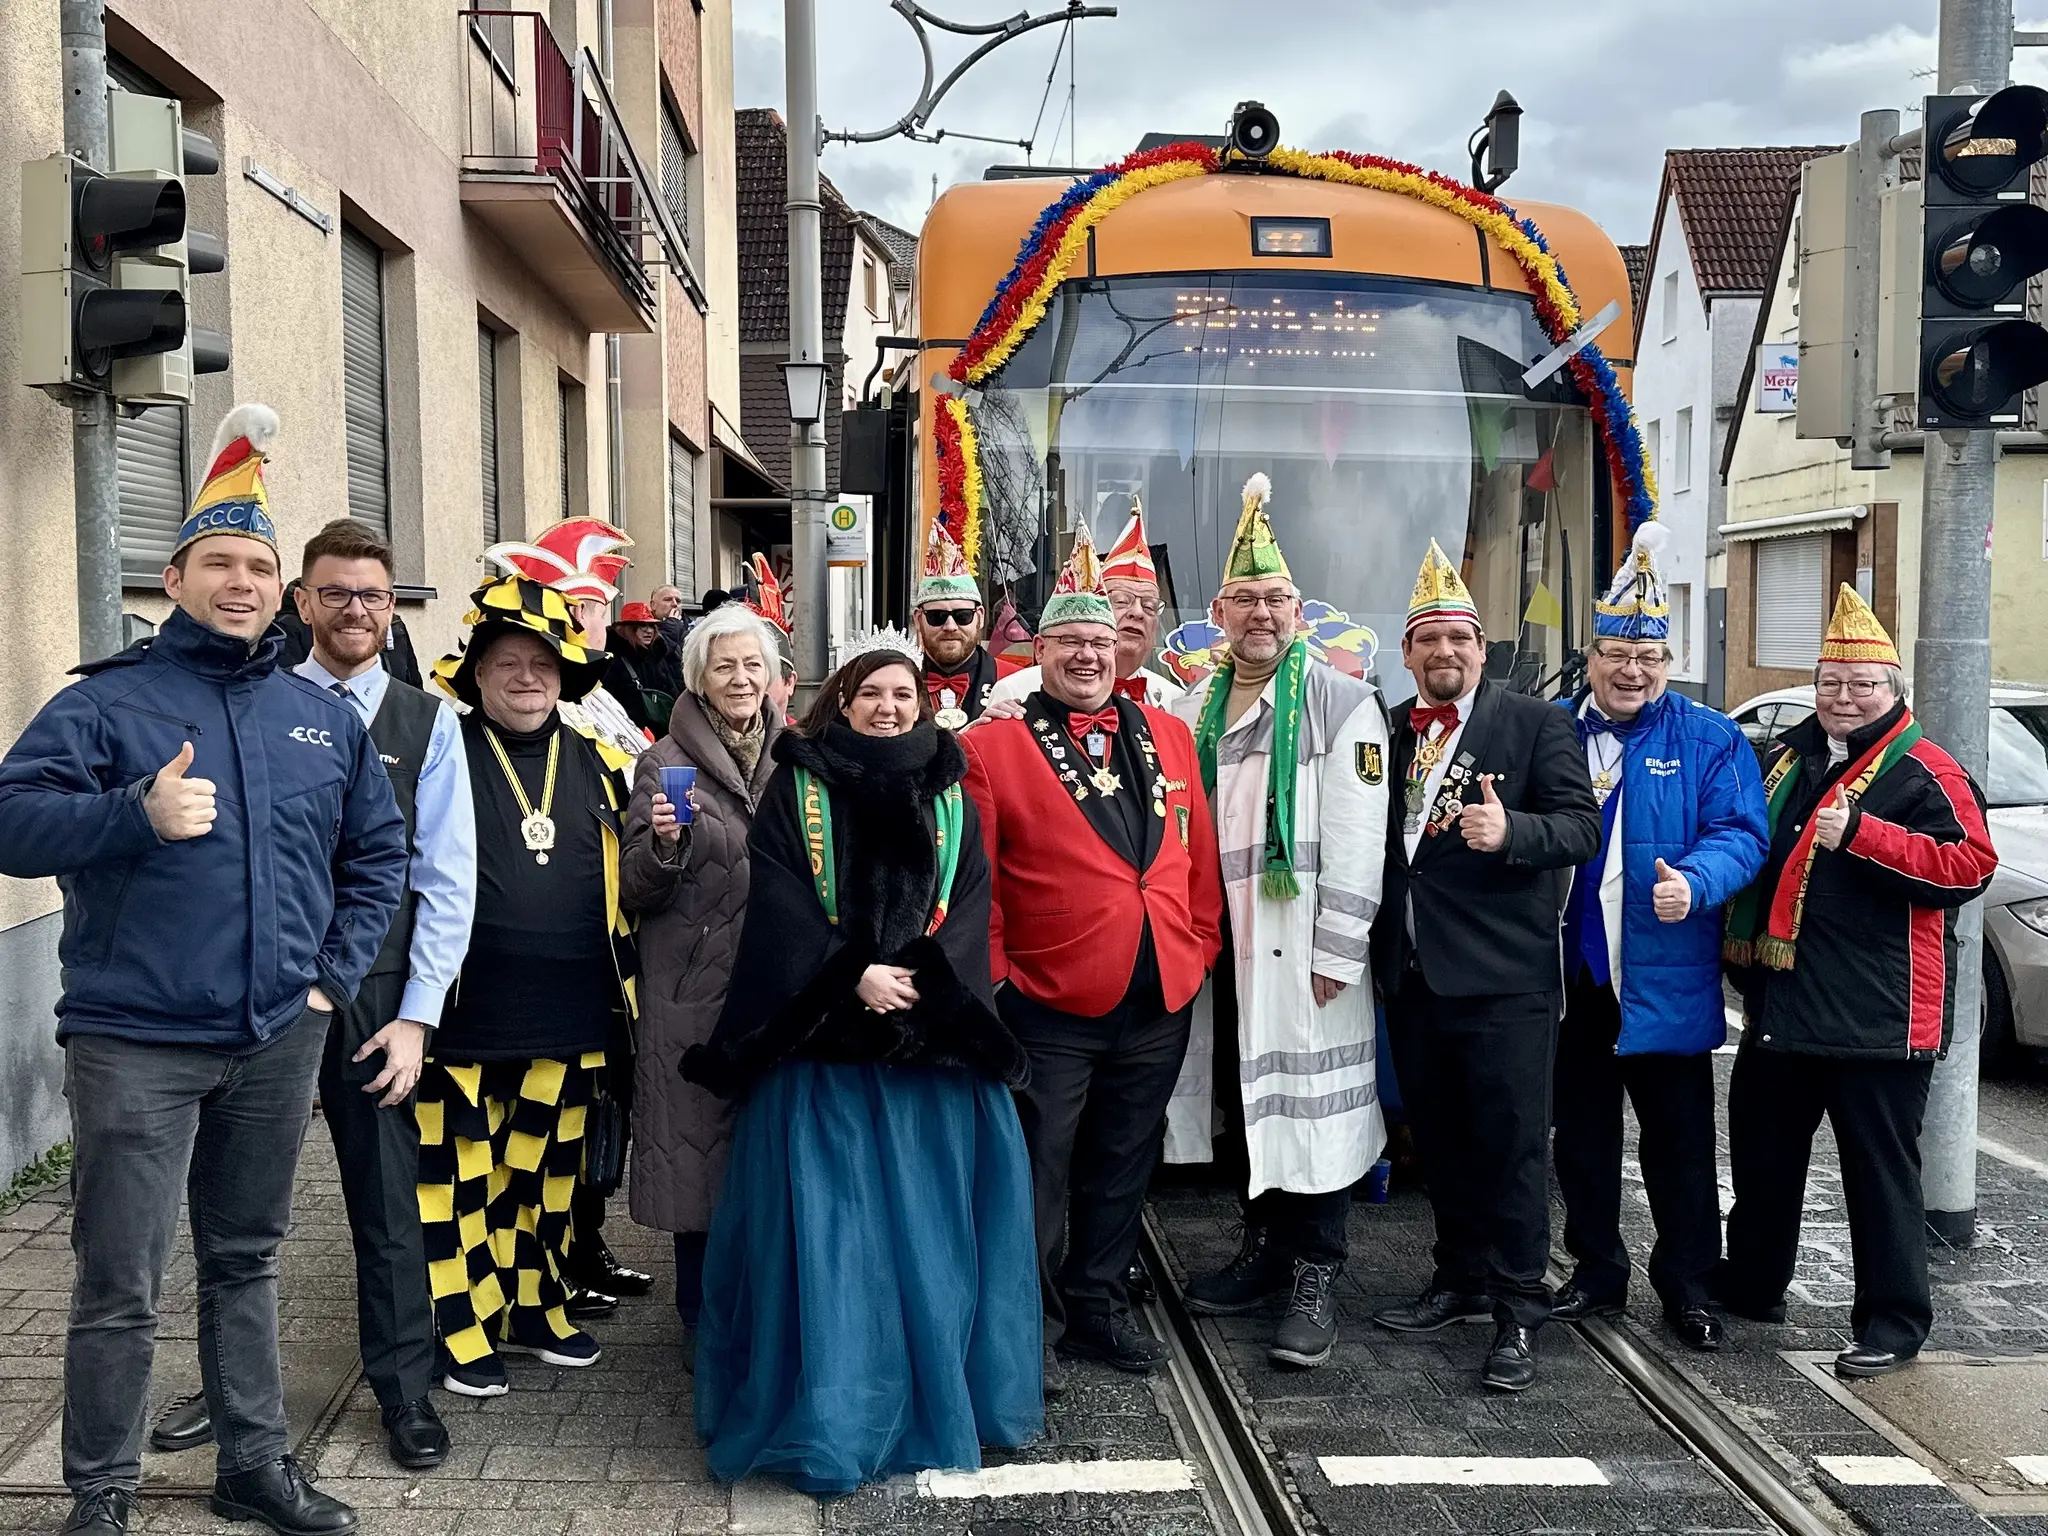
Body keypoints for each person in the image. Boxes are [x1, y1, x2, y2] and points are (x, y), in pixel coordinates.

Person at [0, 404, 407, 1536]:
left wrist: (329, 978)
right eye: (218, 562)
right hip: (136, 1040)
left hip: (278, 1035)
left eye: (260, 566)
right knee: (119, 1277)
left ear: (284, 591)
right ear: (172, 576)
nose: (241, 582)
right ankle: (103, 1493)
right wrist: (134, 812)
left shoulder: (312, 718)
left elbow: (378, 853)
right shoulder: (106, 703)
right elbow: (10, 823)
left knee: (245, 1259)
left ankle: (253, 1467)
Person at [149, 520, 478, 1470]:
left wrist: (419, 1015)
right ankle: (227, 1390)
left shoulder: (428, 724)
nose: (355, 611)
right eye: (335, 593)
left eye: (373, 595)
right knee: (235, 1208)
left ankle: (405, 1392)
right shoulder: (249, 702)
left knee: (386, 1206)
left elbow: (445, 882)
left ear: (393, 607)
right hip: (262, 988)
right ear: (302, 602)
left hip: (375, 1000)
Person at [684, 636, 1040, 1494]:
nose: (889, 706)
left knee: (929, 1242)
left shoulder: (952, 791)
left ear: (922, 706)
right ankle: (838, 1406)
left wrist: (922, 983)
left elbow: (972, 903)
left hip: (930, 1055)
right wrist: (852, 976)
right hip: (826, 1061)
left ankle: (932, 1392)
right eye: (873, 692)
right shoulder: (795, 787)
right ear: (843, 701)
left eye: (903, 695)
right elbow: (777, 902)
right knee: (836, 1242)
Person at [961, 529, 1222, 1388]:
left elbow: (1198, 855)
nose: (1086, 654)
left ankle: (1097, 1308)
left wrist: (1199, 940)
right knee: (1038, 1168)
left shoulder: (1171, 737)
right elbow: (976, 882)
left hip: (1158, 992)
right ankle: (1026, 1328)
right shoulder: (991, 747)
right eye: (1068, 641)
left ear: (1121, 647)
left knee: (1124, 1160)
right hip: (1048, 997)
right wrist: (999, 980)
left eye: (1100, 640)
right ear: (1038, 653)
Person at [1718, 586, 1996, 1381]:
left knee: (1881, 1178)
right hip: (1785, 1005)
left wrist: (1864, 834)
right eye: (1832, 682)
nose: (1844, 697)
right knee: (1763, 1163)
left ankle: (1894, 1321)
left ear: (1893, 691)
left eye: (1862, 685)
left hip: (1881, 1018)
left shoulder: (1928, 770)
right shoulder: (1788, 757)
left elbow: (1969, 866)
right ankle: (1752, 1286)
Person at [1166, 474, 1390, 1370]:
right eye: (1247, 599)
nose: (1262, 613)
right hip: (1221, 950)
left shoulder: (1342, 704)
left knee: (1316, 1099)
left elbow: (1360, 840)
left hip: (1303, 952)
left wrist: (1339, 947)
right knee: (1249, 1098)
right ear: (1220, 611)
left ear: (1301, 610)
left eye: (1277, 599)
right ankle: (1262, 1252)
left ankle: (1315, 1272)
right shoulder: (1193, 711)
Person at [1367, 540, 1600, 1394]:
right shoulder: (1387, 730)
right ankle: (1459, 1276)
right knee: (1441, 1139)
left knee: (1511, 1147)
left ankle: (1516, 1309)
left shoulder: (1536, 724)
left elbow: (1581, 828)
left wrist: (1514, 836)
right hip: (1417, 973)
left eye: (1459, 638)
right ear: (1408, 652)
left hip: (1506, 979)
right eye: (1428, 639)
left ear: (1481, 646)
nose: (1445, 653)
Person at [418, 573, 643, 1397]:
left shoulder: (601, 759)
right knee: (460, 1182)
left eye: (542, 664)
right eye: (507, 662)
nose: (526, 677)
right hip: (465, 1014)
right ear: (477, 674)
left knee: (547, 1180)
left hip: (576, 1013)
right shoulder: (441, 751)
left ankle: (533, 1306)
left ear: (563, 676)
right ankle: (461, 1325)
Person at [1548, 524, 1767, 1355]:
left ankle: (1688, 1284)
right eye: (1615, 655)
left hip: (1665, 977)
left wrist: (1697, 882)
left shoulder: (1710, 739)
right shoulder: (1551, 732)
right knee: (1583, 1140)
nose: (1631, 672)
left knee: (1679, 1147)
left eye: (1647, 659)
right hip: (1572, 981)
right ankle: (1596, 1271)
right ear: (1592, 656)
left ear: (1667, 663)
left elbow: (1744, 834)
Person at [479, 522, 653, 1298]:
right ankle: (522, 1282)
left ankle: (577, 1253)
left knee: (587, 1124)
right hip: (500, 994)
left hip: (601, 964)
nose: (595, 616)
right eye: (580, 604)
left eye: (597, 604)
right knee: (508, 1154)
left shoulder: (602, 698)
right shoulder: (507, 722)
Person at [619, 604, 787, 1336]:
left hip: (780, 988)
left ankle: (766, 1310)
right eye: (725, 666)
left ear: (775, 678)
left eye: (754, 665)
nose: (741, 679)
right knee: (696, 1160)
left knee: (769, 1152)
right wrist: (664, 846)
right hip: (695, 990)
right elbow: (635, 890)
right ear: (698, 679)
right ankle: (700, 1320)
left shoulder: (801, 755)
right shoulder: (666, 763)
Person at [986, 500, 1184, 710]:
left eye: (1149, 606)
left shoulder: (1176, 701)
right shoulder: (1016, 692)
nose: (1137, 612)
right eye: (1121, 601)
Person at [915, 525, 1015, 727]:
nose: (950, 626)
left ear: (979, 617)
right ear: (918, 619)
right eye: (937, 616)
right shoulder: (895, 684)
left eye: (962, 616)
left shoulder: (1014, 681)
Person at [611, 600, 684, 704]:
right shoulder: (615, 660)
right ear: (627, 629)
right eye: (642, 625)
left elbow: (671, 690)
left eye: (651, 626)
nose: (648, 630)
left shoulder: (657, 654)